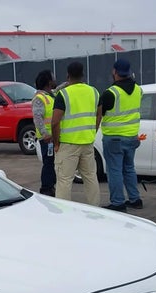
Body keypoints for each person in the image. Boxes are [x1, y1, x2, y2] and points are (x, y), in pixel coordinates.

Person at [51, 61, 101, 207]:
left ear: (68, 76)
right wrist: (93, 131)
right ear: (82, 74)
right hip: (87, 142)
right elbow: (99, 115)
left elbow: (55, 122)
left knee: (64, 180)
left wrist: (56, 143)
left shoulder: (64, 94)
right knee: (91, 177)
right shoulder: (94, 92)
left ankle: (64, 212)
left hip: (68, 144)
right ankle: (96, 209)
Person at [98, 58, 143, 211]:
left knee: (114, 171)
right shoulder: (138, 90)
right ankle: (135, 199)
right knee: (129, 168)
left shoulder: (110, 93)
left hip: (114, 138)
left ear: (115, 72)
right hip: (132, 137)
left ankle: (118, 202)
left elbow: (99, 114)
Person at [31, 69, 58, 196]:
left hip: (52, 138)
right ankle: (46, 188)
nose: (54, 80)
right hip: (46, 139)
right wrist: (45, 133)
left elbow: (58, 89)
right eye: (52, 78)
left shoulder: (49, 95)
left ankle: (50, 186)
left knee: (51, 162)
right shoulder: (39, 98)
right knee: (48, 163)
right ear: (48, 82)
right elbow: (37, 117)